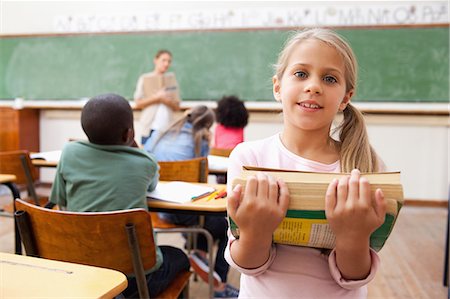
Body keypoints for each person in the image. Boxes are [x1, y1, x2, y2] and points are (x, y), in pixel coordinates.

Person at [225, 28, 387, 298]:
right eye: (301, 74)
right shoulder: (249, 159)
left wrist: (352, 237)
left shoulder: (365, 167)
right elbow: (248, 265)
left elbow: (354, 276)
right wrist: (256, 231)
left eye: (329, 78)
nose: (313, 86)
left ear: (345, 98)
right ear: (278, 87)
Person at [49, 93, 190, 298]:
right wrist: (132, 144)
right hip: (136, 277)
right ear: (128, 134)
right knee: (179, 257)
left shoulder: (69, 153)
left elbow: (60, 201)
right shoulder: (145, 162)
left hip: (81, 267)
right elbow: (152, 185)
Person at [144, 105, 239, 298]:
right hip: (185, 211)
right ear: (207, 125)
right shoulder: (199, 139)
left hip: (156, 211)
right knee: (226, 225)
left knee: (205, 222)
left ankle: (200, 253)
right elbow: (198, 185)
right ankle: (219, 285)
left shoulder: (160, 134)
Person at [134, 49, 181, 145]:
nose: (166, 64)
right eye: (163, 60)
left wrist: (165, 100)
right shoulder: (144, 78)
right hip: (148, 126)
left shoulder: (172, 80)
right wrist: (157, 98)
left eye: (169, 61)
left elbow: (177, 107)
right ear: (156, 60)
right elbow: (138, 103)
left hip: (166, 127)